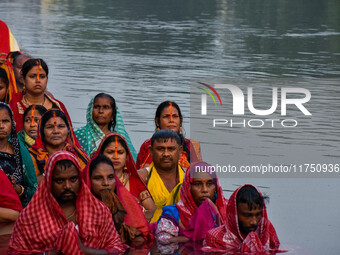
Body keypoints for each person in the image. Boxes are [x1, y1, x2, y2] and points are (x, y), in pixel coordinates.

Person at [8, 151, 126, 254]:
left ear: (80, 179)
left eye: (73, 179)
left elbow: (116, 248)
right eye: (60, 180)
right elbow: (15, 252)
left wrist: (85, 251)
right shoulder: (30, 217)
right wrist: (51, 253)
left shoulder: (98, 211)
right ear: (49, 181)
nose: (67, 186)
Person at [82, 154, 153, 244]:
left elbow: (142, 236)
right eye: (98, 178)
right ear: (88, 180)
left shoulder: (126, 205)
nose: (106, 183)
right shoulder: (79, 210)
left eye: (110, 177)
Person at [156, 162, 228, 245]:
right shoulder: (174, 214)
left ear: (216, 187)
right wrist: (192, 237)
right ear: (188, 187)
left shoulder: (226, 210)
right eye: (198, 184)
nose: (204, 190)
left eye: (209, 184)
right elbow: (163, 239)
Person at [93, 133, 156, 222]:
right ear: (101, 155)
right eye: (110, 152)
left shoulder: (134, 181)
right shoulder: (93, 180)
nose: (115, 157)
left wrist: (136, 222)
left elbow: (151, 209)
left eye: (120, 152)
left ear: (127, 156)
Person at [204, 184, 281, 253]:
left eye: (258, 215)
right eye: (247, 215)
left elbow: (275, 248)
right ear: (234, 215)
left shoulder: (267, 230)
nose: (254, 222)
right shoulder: (215, 238)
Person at [9, 58, 72, 132]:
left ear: (47, 79)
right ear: (23, 79)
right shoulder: (14, 104)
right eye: (32, 76)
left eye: (42, 77)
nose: (38, 80)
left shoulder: (57, 106)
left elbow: (68, 136)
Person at [29, 109, 89, 185]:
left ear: (68, 130)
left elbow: (87, 182)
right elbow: (30, 185)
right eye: (50, 127)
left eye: (61, 126)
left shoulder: (76, 154)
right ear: (41, 131)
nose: (56, 131)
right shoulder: (32, 155)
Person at [136, 101, 202, 170]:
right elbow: (144, 172)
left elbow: (199, 171)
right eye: (166, 116)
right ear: (157, 121)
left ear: (181, 121)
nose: (171, 120)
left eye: (175, 116)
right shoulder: (149, 145)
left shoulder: (189, 145)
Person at [138, 129, 185, 223]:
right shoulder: (141, 177)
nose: (166, 154)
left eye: (171, 149)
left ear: (180, 151)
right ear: (151, 151)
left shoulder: (189, 176)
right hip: (149, 233)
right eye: (160, 149)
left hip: (183, 234)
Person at [75, 93, 137, 160]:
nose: (100, 111)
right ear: (90, 111)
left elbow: (130, 161)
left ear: (113, 115)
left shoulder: (119, 136)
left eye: (106, 107)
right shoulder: (78, 135)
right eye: (97, 107)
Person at [0, 102, 37, 207]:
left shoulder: (21, 153)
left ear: (12, 124)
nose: (1, 126)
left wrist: (18, 189)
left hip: (16, 210)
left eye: (5, 121)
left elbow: (32, 189)